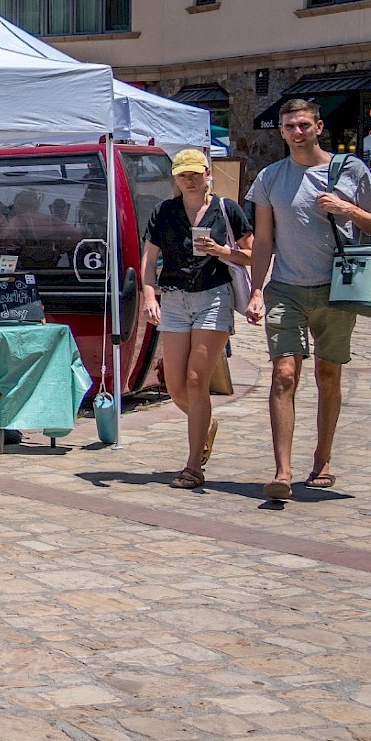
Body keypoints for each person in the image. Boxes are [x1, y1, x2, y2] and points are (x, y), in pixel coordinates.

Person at [245, 99, 371, 501]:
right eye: (289, 126)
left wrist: (346, 207)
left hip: (338, 290)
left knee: (328, 375)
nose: (297, 132)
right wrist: (256, 289)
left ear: (319, 127)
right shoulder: (270, 178)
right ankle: (283, 471)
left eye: (304, 124)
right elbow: (263, 241)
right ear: (280, 131)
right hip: (285, 289)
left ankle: (322, 460)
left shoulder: (351, 170)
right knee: (284, 375)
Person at [138, 149, 255, 490]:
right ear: (174, 178)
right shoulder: (164, 212)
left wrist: (222, 251)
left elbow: (252, 254)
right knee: (173, 385)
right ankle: (204, 424)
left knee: (194, 379)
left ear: (208, 175)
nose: (189, 180)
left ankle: (192, 466)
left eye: (195, 173)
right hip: (174, 299)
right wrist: (149, 294)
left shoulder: (225, 209)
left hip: (213, 295)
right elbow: (149, 260)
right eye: (182, 174)